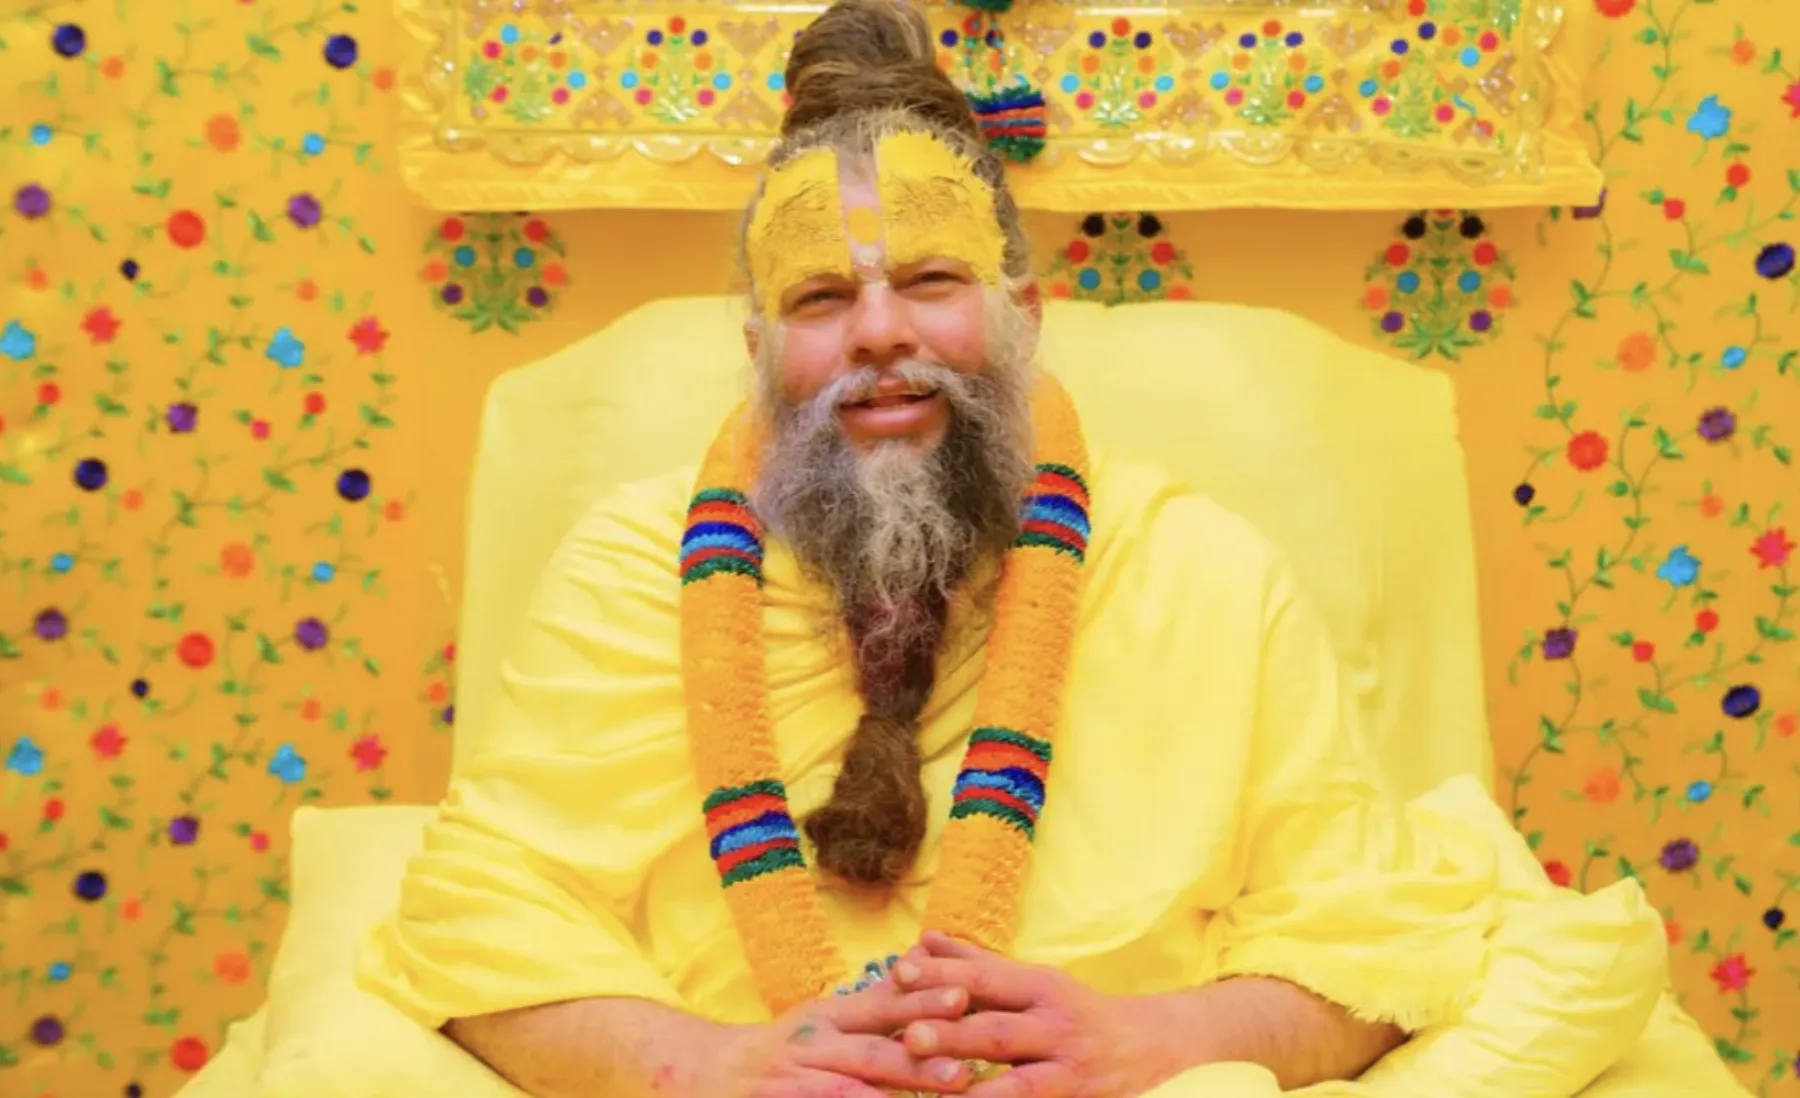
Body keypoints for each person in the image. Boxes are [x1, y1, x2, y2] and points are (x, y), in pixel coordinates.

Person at [354, 2, 1674, 1096]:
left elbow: (1369, 932)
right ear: (756, 351)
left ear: (1025, 315)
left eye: (931, 280)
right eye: (822, 295)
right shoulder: (631, 572)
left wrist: (1163, 1039)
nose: (880, 330)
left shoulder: (1200, 571)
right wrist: (705, 1066)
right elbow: (478, 914)